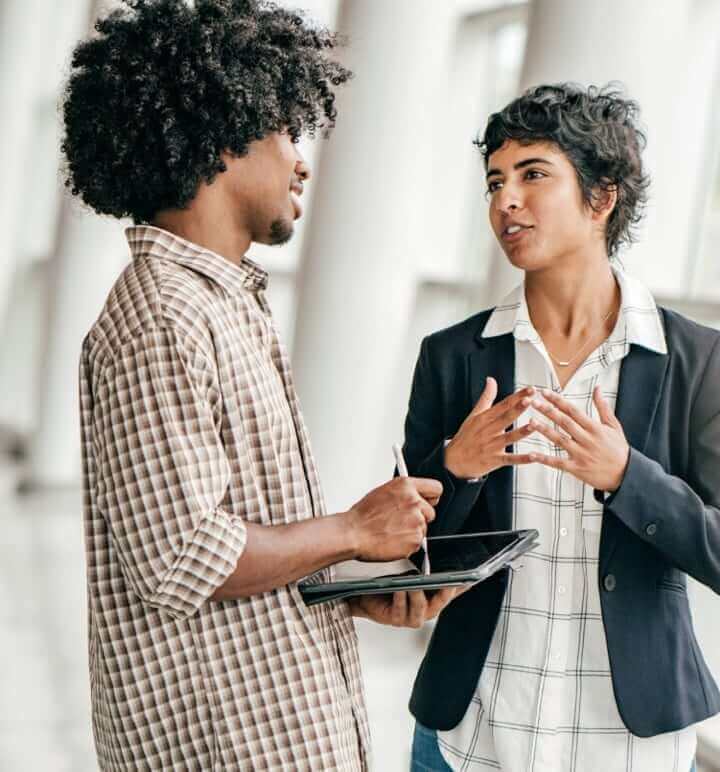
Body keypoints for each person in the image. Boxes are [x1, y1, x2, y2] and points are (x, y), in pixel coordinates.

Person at [64, 1, 461, 769]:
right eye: (286, 130)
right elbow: (184, 554)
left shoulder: (222, 303)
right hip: (226, 746)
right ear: (219, 136)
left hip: (268, 725)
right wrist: (351, 529)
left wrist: (341, 581)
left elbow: (235, 531)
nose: (302, 160)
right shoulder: (163, 318)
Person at [400, 83, 720, 772]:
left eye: (532, 175)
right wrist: (456, 467)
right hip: (470, 741)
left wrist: (629, 478)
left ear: (602, 199)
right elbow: (407, 562)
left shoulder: (694, 359)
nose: (504, 200)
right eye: (494, 182)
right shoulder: (453, 356)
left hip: (632, 751)